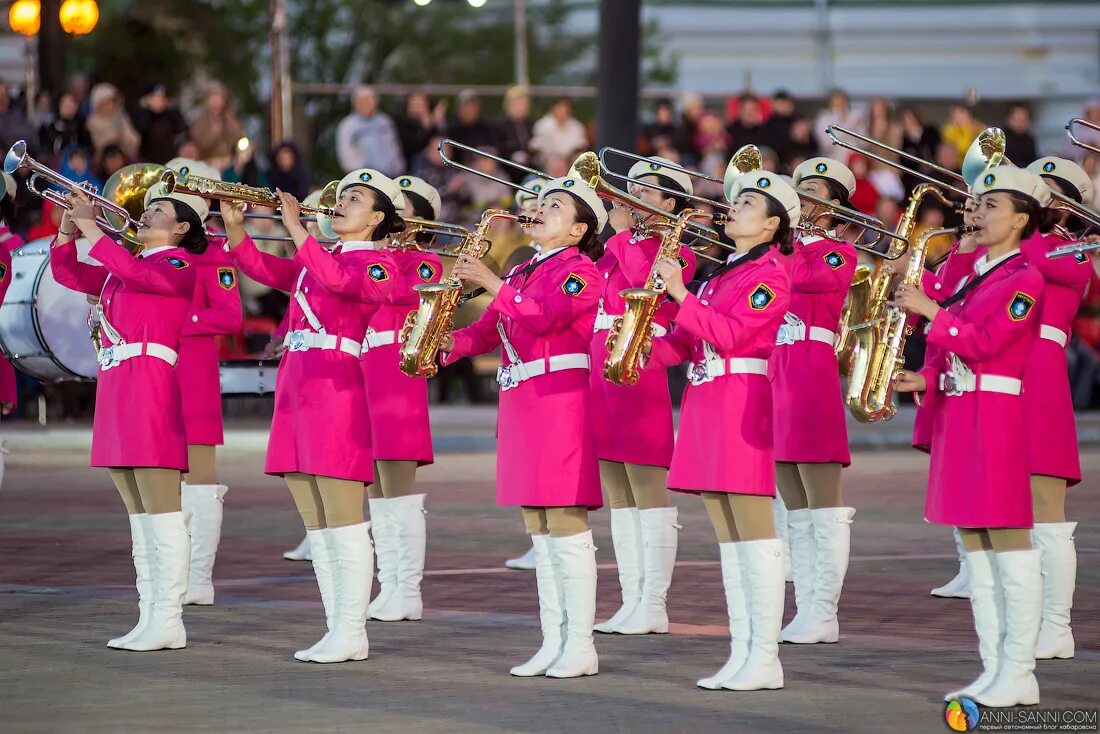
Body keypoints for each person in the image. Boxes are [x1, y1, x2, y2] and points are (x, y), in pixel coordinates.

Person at [223, 169, 402, 663]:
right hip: (297, 387)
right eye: (340, 195)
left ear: (378, 218)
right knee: (315, 520)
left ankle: (352, 630)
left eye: (355, 198)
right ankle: (336, 626)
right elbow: (267, 271)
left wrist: (298, 230)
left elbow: (343, 283)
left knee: (343, 519)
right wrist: (237, 229)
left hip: (336, 387)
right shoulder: (318, 257)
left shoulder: (381, 262)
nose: (341, 203)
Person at [893, 165, 1048, 708]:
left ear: (1021, 220)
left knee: (1007, 544)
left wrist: (931, 311)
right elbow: (962, 352)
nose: (976, 214)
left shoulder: (1024, 279)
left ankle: (1020, 669)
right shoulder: (974, 273)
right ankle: (994, 666)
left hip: (995, 416)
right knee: (977, 549)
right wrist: (926, 377)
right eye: (976, 205)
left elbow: (986, 344)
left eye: (991, 207)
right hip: (961, 410)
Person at [440, 175, 605, 678]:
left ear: (578, 230)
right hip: (524, 402)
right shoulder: (527, 270)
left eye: (555, 206)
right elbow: (489, 330)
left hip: (560, 402)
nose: (538, 209)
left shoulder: (581, 272)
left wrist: (494, 283)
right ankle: (552, 638)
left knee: (565, 522)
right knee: (538, 525)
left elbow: (544, 319)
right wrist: (445, 344)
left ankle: (579, 643)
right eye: (540, 202)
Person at [644, 171, 796, 691]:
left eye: (748, 202)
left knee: (753, 533)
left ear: (773, 223)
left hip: (740, 403)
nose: (732, 206)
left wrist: (680, 295)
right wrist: (642, 341)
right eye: (734, 199)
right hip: (707, 402)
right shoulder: (719, 275)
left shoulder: (771, 275)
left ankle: (766, 656)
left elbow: (732, 335)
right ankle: (743, 651)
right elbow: (689, 345)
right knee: (729, 539)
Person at [50, 184, 208, 652]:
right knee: (138, 517)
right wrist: (66, 230)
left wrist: (89, 225)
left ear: (181, 227)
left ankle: (169, 618)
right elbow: (68, 273)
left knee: (161, 514)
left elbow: (139, 274)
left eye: (157, 210)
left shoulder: (178, 264)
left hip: (150, 386)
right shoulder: (126, 270)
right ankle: (149, 614)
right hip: (119, 383)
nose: (144, 215)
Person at [590, 157, 696, 636]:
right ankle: (632, 597)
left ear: (670, 203)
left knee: (647, 490)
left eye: (646, 193)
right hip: (602, 365)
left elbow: (644, 282)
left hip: (639, 363)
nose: (633, 200)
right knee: (618, 494)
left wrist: (620, 233)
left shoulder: (677, 252)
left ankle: (654, 602)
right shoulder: (617, 244)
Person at [770, 158, 859, 645]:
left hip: (810, 366)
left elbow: (800, 280)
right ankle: (806, 607)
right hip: (776, 365)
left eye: (819, 192)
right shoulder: (782, 248)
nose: (805, 198)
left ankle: (824, 610)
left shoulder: (838, 252)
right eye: (801, 188)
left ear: (837, 207)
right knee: (793, 502)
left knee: (822, 502)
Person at [153, 159, 244, 607]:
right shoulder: (146, 249)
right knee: (159, 472)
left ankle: (199, 576)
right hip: (153, 371)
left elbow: (230, 316)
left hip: (193, 369)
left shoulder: (212, 253)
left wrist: (178, 318)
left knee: (200, 477)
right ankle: (171, 572)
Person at [1018, 157, 1090, 659]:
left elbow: (1036, 262)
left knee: (1046, 511)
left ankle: (1057, 625)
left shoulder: (1076, 249)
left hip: (1040, 368)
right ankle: (1023, 619)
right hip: (994, 367)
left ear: (1061, 204)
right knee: (1007, 508)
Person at [363, 175, 444, 622]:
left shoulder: (425, 261)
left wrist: (378, 253)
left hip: (397, 372)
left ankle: (406, 588)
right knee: (375, 486)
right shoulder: (376, 257)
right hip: (365, 370)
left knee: (398, 487)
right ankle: (389, 582)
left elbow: (398, 293)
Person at [336, 86, 404, 177]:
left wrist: (399, 168)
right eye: (363, 101)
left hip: (390, 176)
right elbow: (346, 154)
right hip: (363, 178)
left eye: (369, 100)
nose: (366, 104)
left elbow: (395, 147)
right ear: (355, 103)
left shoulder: (385, 121)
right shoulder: (348, 125)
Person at [188, 81, 243, 167]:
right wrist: (214, 132)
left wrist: (231, 123)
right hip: (207, 164)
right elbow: (200, 144)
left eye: (219, 98)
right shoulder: (199, 121)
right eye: (212, 98)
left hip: (228, 164)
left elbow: (238, 139)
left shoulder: (228, 119)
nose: (216, 102)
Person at [133, 84, 188, 164]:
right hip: (148, 161)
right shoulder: (142, 114)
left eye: (162, 97)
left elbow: (181, 127)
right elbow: (140, 127)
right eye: (155, 97)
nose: (159, 100)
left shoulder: (171, 113)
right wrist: (149, 109)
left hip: (171, 160)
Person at [85, 83, 140, 161]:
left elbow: (133, 138)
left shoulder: (121, 117)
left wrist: (128, 140)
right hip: (105, 160)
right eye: (104, 104)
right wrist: (114, 136)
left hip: (124, 158)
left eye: (110, 102)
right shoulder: (92, 122)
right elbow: (97, 144)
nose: (108, 106)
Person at [531, 99, 588, 168]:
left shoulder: (577, 126)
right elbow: (541, 149)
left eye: (566, 110)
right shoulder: (542, 126)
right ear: (553, 109)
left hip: (571, 161)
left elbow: (580, 146)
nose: (563, 113)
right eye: (560, 109)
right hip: (549, 162)